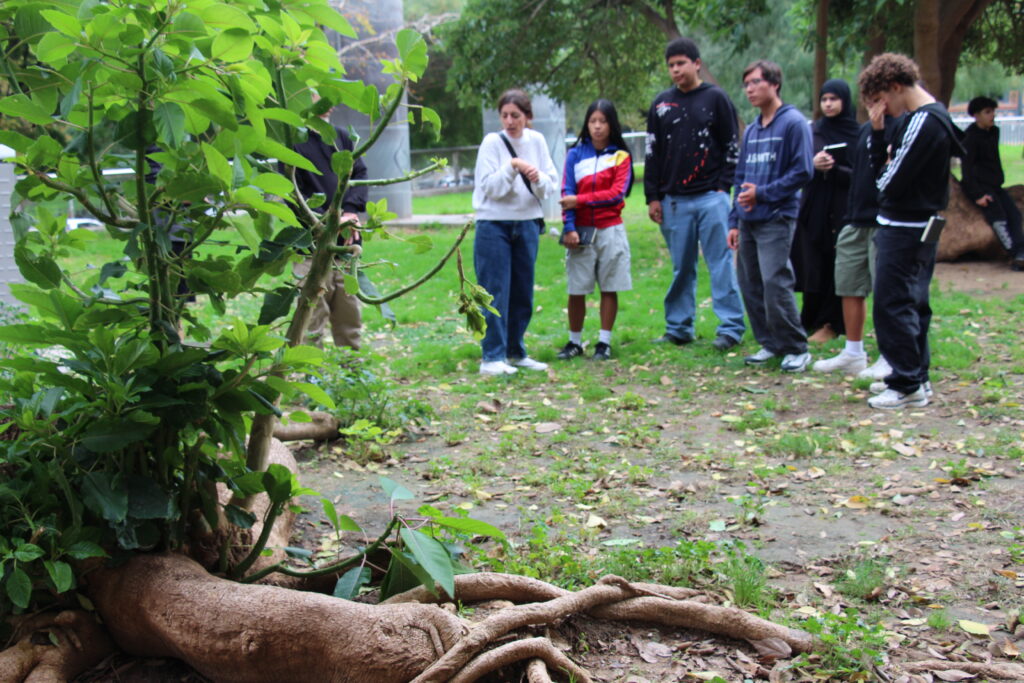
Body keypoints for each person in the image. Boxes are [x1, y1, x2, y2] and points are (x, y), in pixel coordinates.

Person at [859, 53, 964, 409]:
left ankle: (906, 384)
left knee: (893, 303)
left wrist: (880, 146)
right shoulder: (934, 117)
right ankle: (918, 376)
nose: (880, 110)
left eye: (879, 100)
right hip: (921, 224)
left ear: (895, 86)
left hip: (905, 227)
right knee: (914, 302)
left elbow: (886, 183)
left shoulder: (924, 122)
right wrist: (882, 141)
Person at [644, 37, 746, 351]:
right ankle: (679, 327)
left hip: (710, 197)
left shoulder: (715, 98)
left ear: (697, 64)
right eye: (671, 65)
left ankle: (730, 328)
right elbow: (652, 152)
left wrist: (722, 187)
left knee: (720, 263)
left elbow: (731, 145)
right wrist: (653, 196)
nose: (676, 70)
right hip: (674, 200)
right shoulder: (662, 104)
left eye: (681, 63)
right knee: (681, 267)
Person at [727, 60, 814, 372]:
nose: (749, 89)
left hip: (776, 217)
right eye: (746, 84)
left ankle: (796, 347)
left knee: (775, 281)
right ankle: (771, 343)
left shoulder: (793, 123)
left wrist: (762, 194)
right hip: (748, 220)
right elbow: (740, 177)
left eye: (756, 82)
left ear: (774, 84)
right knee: (750, 283)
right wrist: (734, 221)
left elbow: (803, 171)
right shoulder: (752, 130)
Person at [472, 89, 559, 376]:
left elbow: (549, 185)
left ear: (527, 117)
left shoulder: (537, 141)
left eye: (516, 116)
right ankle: (492, 356)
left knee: (522, 291)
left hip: (527, 223)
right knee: (495, 290)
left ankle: (515, 351)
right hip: (493, 224)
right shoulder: (491, 143)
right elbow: (490, 188)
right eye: (505, 116)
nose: (510, 121)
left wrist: (537, 177)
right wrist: (513, 167)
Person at [811, 115, 897, 379]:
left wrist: (880, 132)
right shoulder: (864, 131)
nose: (874, 104)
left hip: (884, 220)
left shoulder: (902, 126)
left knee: (887, 293)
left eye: (878, 97)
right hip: (855, 219)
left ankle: (891, 357)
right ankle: (853, 353)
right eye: (868, 98)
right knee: (848, 286)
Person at [556, 99, 634, 361]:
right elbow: (566, 192)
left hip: (610, 229)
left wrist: (580, 201)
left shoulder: (621, 157)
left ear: (612, 125)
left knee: (609, 286)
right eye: (593, 121)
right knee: (576, 288)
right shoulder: (575, 155)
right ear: (586, 124)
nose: (598, 127)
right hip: (580, 231)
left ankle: (604, 342)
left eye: (603, 121)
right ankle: (574, 342)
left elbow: (616, 194)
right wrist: (569, 227)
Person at [291, 116, 368, 350]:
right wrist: (327, 222)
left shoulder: (342, 137)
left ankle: (351, 367)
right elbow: (293, 193)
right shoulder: (293, 140)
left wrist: (350, 212)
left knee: (349, 313)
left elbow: (360, 174)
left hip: (345, 247)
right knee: (312, 317)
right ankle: (310, 369)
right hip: (310, 247)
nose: (328, 102)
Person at [792, 79, 860, 343]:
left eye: (834, 99)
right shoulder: (813, 131)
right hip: (814, 207)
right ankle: (809, 318)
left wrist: (835, 169)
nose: (828, 104)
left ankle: (831, 322)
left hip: (842, 208)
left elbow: (862, 175)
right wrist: (813, 164)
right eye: (824, 99)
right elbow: (797, 167)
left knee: (836, 264)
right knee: (813, 263)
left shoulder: (856, 133)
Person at [961, 95, 1024, 271]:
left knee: (1015, 215)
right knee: (999, 218)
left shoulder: (994, 132)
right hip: (981, 187)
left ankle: (1021, 251)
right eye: (987, 112)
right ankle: (1013, 254)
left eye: (993, 112)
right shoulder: (970, 137)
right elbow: (966, 169)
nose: (992, 115)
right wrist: (977, 194)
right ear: (976, 115)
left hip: (995, 185)